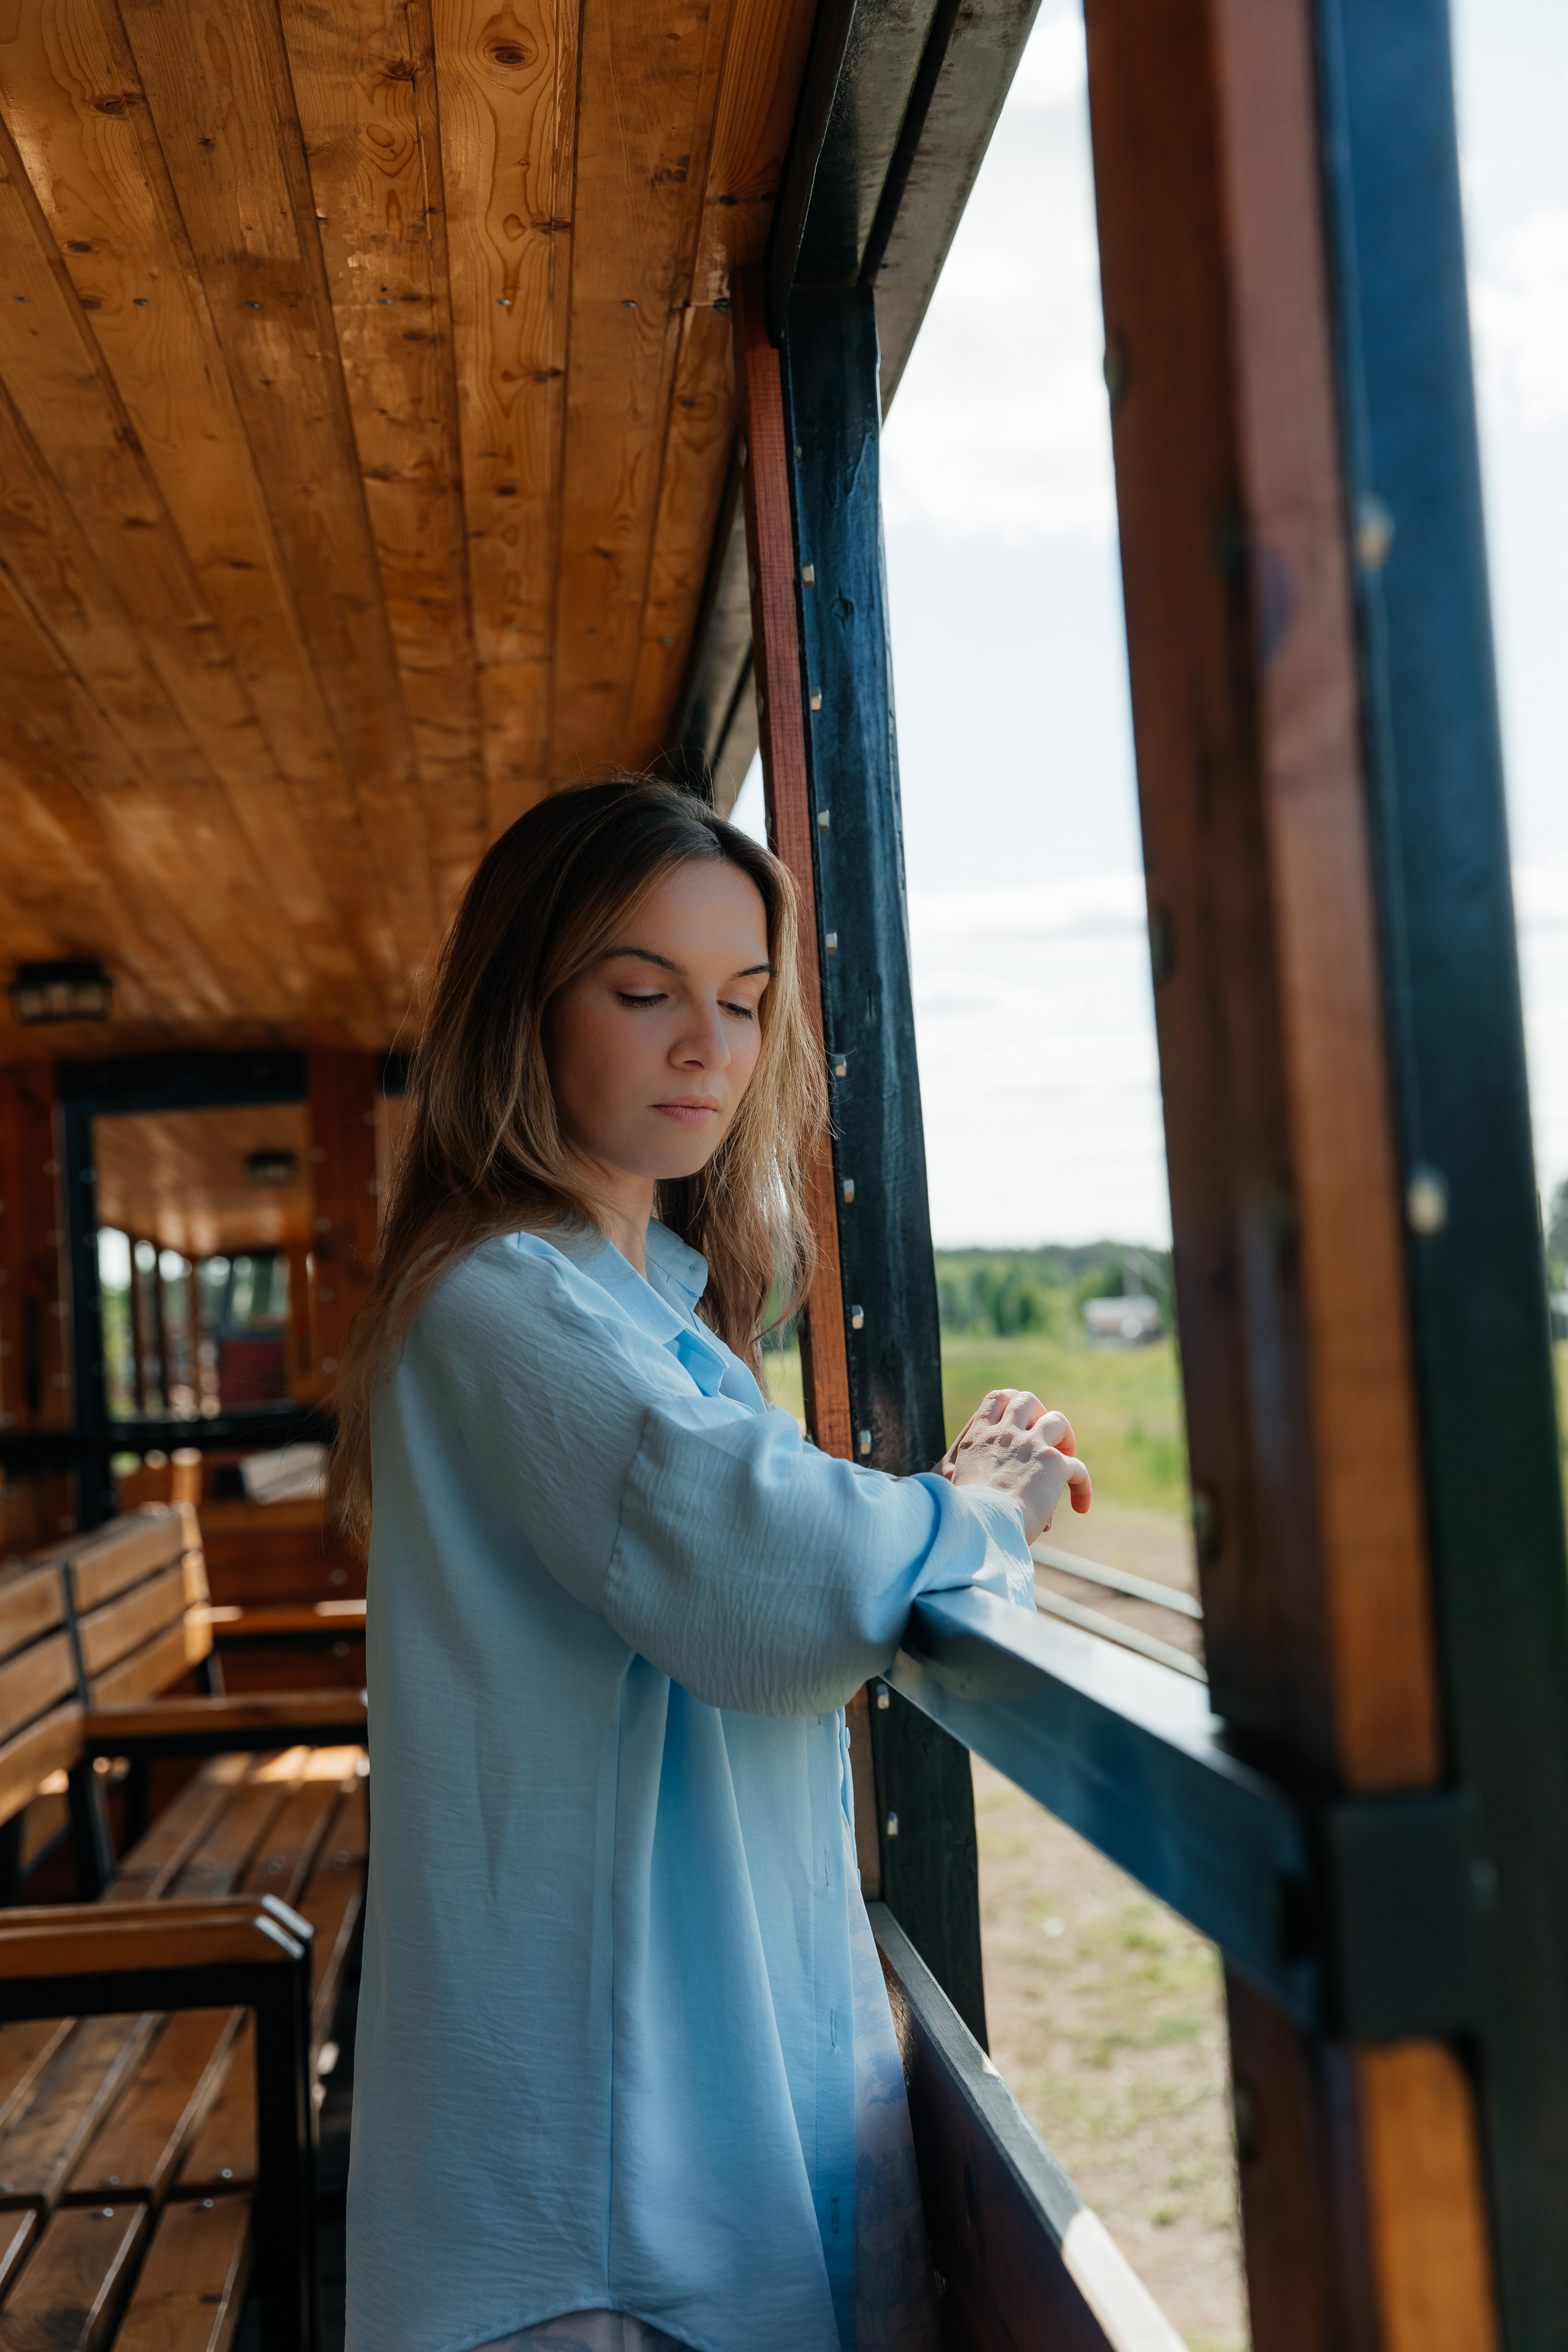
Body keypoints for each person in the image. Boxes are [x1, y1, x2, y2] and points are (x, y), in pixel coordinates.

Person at [333, 777, 1091, 2352]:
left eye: (744, 1003)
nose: (709, 1049)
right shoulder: (501, 1297)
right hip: (597, 2171)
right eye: (642, 992)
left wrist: (927, 1510)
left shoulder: (645, 1308)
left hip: (662, 2099)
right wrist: (982, 1514)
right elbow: (765, 1575)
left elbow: (752, 1521)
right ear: (519, 1011)